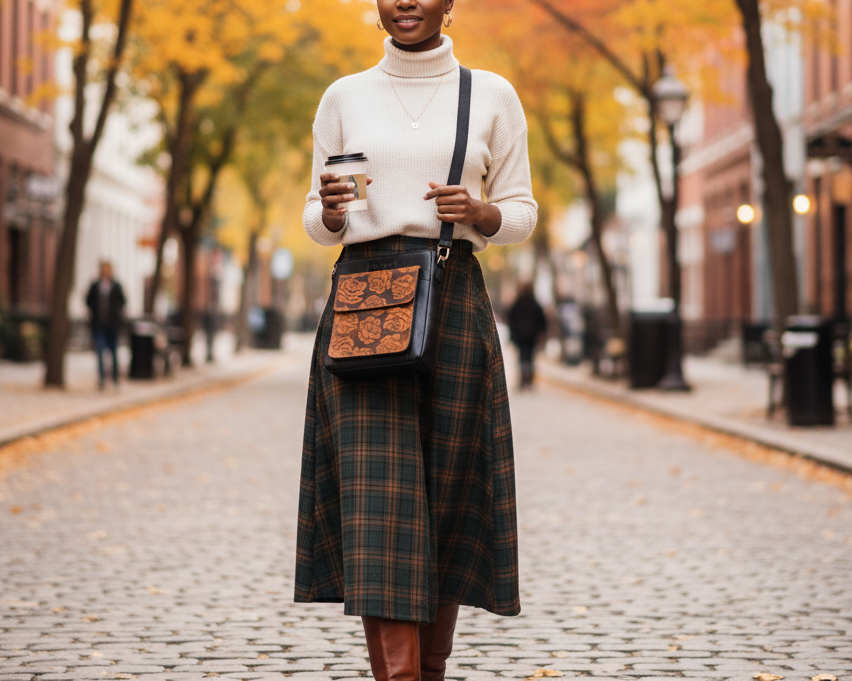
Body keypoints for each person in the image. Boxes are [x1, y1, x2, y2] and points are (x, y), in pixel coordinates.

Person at [295, 1, 537, 679]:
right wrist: (332, 212)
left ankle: (427, 670)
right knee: (382, 503)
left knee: (448, 497)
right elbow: (318, 216)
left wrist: (482, 212)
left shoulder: (490, 94)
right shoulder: (344, 95)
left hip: (452, 296)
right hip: (365, 301)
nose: (406, 0)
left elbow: (520, 209)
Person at [85, 260, 126, 389]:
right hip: (98, 325)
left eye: (107, 269)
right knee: (100, 351)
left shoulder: (116, 285)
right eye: (103, 269)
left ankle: (114, 379)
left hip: (113, 325)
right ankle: (102, 379)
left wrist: (116, 313)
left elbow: (123, 301)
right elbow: (88, 301)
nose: (105, 271)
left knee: (113, 353)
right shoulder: (95, 285)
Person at [507, 282, 547, 389]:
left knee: (522, 358)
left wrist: (513, 334)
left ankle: (522, 380)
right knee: (530, 358)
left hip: (520, 336)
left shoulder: (518, 303)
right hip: (532, 336)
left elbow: (510, 318)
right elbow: (542, 319)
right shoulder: (534, 303)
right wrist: (541, 332)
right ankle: (529, 380)